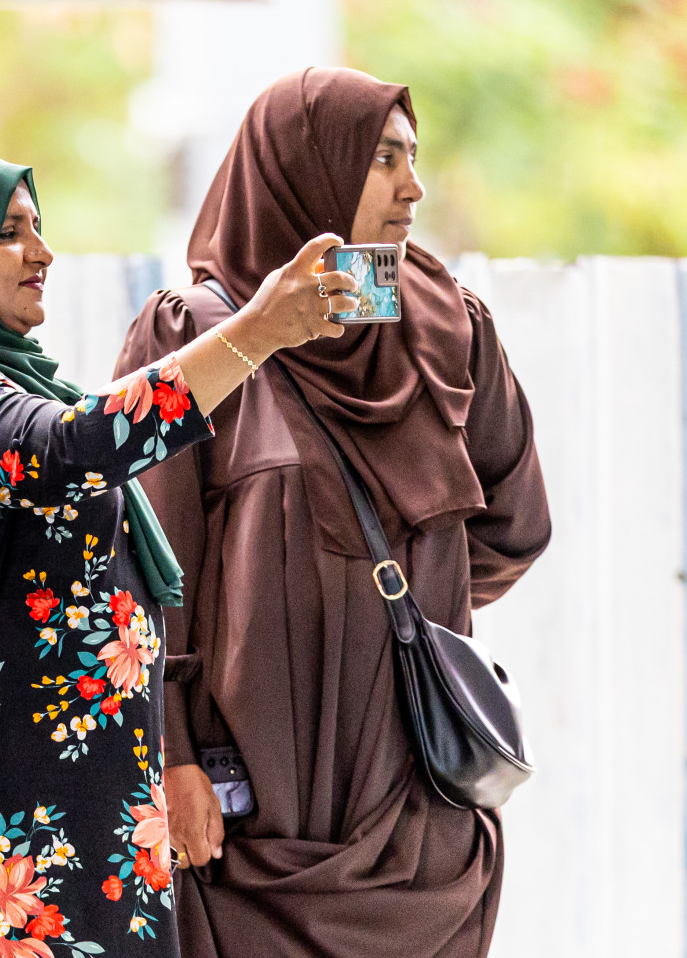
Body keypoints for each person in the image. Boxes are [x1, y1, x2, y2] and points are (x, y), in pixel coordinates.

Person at [0, 148, 360, 957]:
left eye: (38, 227)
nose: (42, 251)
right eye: (8, 232)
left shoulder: (8, 382)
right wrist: (254, 332)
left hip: (74, 797)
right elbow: (67, 448)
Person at [113, 67, 551, 958]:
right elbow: (140, 567)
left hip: (418, 813)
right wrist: (172, 752)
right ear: (303, 171)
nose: (413, 187)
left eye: (414, 158)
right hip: (250, 815)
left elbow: (513, 527)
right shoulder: (198, 336)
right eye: (382, 158)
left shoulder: (453, 330)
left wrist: (378, 596)